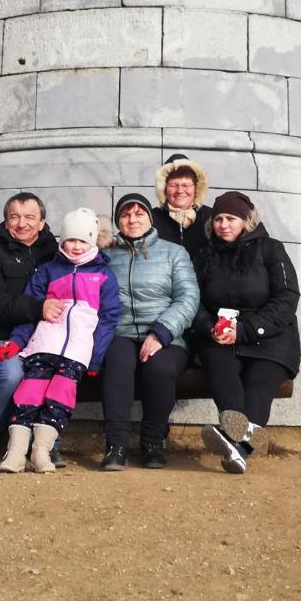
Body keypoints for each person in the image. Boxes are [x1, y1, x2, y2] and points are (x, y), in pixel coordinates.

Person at [0, 208, 121, 473]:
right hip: (44, 345)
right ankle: (15, 453)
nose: (75, 246)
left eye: (82, 241)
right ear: (62, 240)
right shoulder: (48, 270)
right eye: (70, 240)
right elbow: (30, 310)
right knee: (28, 395)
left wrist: (96, 357)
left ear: (93, 241)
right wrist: (17, 341)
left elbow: (108, 320)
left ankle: (41, 452)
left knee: (59, 398)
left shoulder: (104, 276)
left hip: (76, 352)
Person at [192, 190, 301, 475]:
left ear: (246, 221)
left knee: (259, 382)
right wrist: (209, 327)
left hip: (271, 338)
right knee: (222, 373)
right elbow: (194, 300)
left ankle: (234, 443)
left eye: (231, 219)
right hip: (220, 338)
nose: (223, 225)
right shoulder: (205, 255)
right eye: (218, 219)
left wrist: (246, 330)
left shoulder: (271, 249)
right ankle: (244, 443)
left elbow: (287, 297)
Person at [0, 192, 66, 467]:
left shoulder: (57, 255)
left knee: (55, 372)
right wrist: (37, 308)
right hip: (1, 338)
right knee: (12, 373)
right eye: (15, 217)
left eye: (30, 217)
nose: (22, 223)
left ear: (42, 222)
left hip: (45, 341)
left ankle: (47, 444)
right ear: (6, 221)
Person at [99, 192, 200, 471]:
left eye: (139, 213)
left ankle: (153, 441)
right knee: (117, 365)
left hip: (166, 333)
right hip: (120, 331)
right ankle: (116, 445)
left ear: (150, 218)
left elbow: (188, 297)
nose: (132, 219)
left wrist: (161, 332)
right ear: (118, 221)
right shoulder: (106, 255)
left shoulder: (173, 253)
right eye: (125, 215)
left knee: (160, 368)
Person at [151, 153, 213, 267]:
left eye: (186, 185)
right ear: (164, 188)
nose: (180, 191)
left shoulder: (211, 217)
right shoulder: (150, 218)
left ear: (196, 188)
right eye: (173, 185)